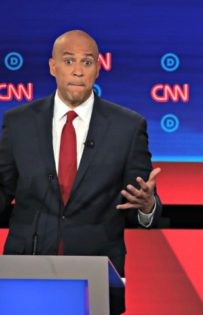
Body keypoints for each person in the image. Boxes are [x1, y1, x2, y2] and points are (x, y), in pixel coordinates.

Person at [0, 30, 162, 315]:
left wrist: (147, 206)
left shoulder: (127, 127)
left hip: (97, 273)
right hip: (28, 268)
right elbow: (3, 191)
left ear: (98, 69)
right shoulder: (19, 123)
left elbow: (144, 204)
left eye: (87, 63)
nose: (77, 71)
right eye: (69, 61)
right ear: (53, 67)